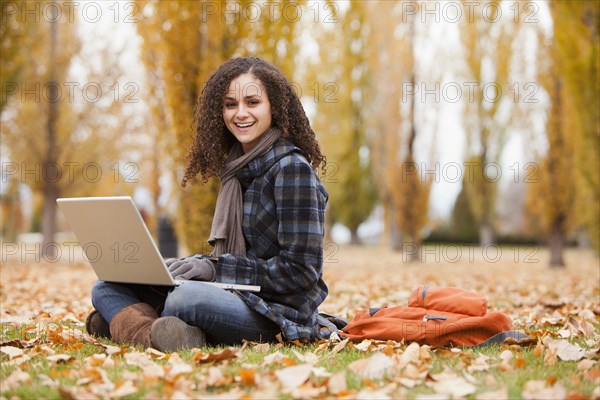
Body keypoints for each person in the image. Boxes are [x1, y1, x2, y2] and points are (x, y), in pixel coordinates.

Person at [86, 57, 330, 352]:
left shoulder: (292, 170)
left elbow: (301, 272)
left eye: (252, 102)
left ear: (274, 108)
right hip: (231, 293)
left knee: (184, 299)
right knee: (107, 286)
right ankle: (152, 333)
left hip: (276, 313)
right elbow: (231, 260)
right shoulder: (236, 172)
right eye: (230, 104)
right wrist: (187, 266)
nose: (240, 113)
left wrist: (214, 269)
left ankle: (127, 322)